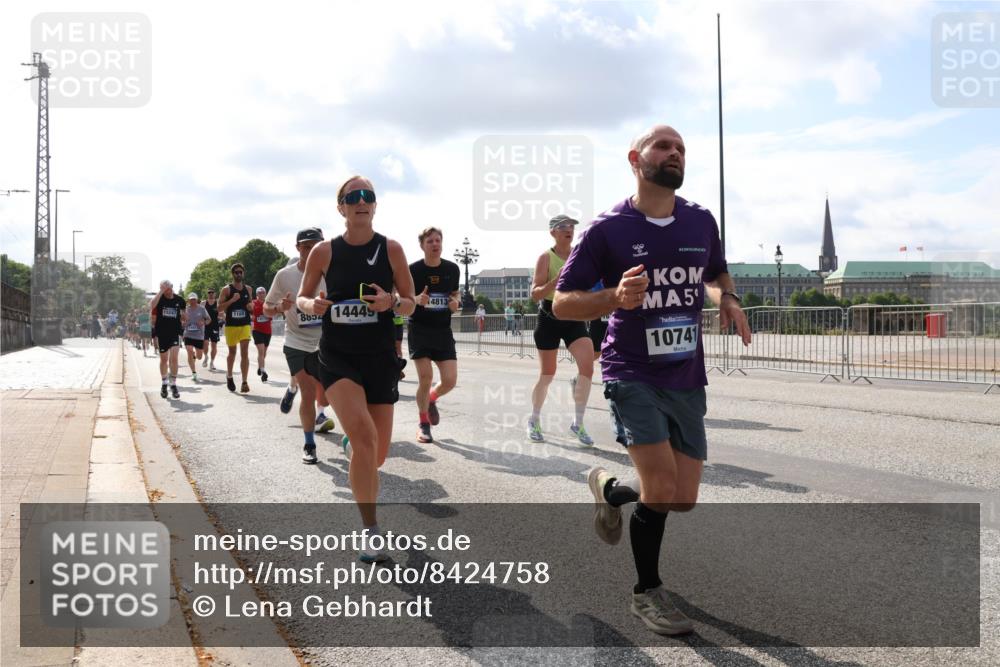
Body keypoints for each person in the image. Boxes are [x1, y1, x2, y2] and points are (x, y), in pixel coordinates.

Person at [552, 124, 751, 636]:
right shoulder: (607, 229)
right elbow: (563, 301)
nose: (675, 153)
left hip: (686, 373)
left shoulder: (701, 222)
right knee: (661, 486)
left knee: (682, 497)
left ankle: (612, 491)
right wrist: (614, 298)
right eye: (663, 146)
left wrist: (727, 298)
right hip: (630, 369)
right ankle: (647, 593)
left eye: (681, 148)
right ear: (635, 158)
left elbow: (716, 274)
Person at [297, 175, 415, 563]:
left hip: (380, 358)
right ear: (341, 207)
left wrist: (392, 302)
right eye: (353, 197)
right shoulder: (324, 252)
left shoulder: (392, 249)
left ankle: (353, 446)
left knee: (376, 455)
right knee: (365, 440)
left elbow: (411, 302)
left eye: (368, 196)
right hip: (338, 357)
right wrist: (310, 304)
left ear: (375, 206)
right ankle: (371, 531)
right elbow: (302, 295)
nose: (361, 201)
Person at [266, 227, 337, 464]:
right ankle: (309, 443)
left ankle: (291, 387)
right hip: (296, 341)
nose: (311, 251)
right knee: (309, 392)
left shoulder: (333, 272)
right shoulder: (284, 276)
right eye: (306, 246)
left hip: (326, 341)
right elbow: (267, 307)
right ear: (298, 248)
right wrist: (278, 308)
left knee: (326, 395)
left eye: (316, 246)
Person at [526, 215, 596, 446]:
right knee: (547, 374)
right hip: (549, 316)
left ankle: (578, 423)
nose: (569, 230)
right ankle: (534, 420)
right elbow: (535, 294)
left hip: (573, 315)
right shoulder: (545, 257)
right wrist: (556, 280)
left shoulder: (579, 254)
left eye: (572, 226)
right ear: (552, 232)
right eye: (563, 227)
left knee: (587, 367)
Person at [408, 227, 461, 444]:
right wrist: (415, 299)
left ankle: (432, 397)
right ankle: (423, 424)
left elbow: (455, 294)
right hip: (419, 329)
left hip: (442, 331)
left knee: (449, 380)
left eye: (438, 240)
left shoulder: (452, 268)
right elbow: (400, 296)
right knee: (426, 377)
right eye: (430, 241)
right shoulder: (413, 269)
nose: (435, 244)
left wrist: (455, 303)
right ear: (422, 245)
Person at [149, 280, 187, 399]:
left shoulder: (179, 300)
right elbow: (151, 305)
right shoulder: (159, 299)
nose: (168, 292)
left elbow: (184, 314)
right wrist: (160, 291)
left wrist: (184, 317)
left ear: (172, 287)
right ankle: (164, 383)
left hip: (174, 332)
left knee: (174, 358)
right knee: (164, 359)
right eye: (165, 290)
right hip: (162, 333)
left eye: (169, 289)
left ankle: (173, 384)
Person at [220, 263, 253, 393]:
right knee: (232, 353)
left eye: (241, 272)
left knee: (245, 352)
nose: (239, 274)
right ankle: (229, 376)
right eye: (236, 272)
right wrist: (232, 300)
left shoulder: (248, 289)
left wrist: (250, 307)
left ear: (243, 273)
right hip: (231, 326)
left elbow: (250, 305)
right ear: (232, 274)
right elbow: (219, 308)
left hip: (245, 324)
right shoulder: (226, 290)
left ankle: (244, 382)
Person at [182, 293, 210, 382]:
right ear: (188, 300)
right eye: (191, 299)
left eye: (194, 299)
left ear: (196, 300)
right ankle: (194, 373)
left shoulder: (201, 309)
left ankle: (195, 356)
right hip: (188, 334)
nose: (192, 301)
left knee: (199, 357)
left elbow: (209, 319)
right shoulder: (185, 310)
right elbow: (181, 321)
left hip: (199, 335)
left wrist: (203, 322)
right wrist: (183, 323)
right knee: (189, 351)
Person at [251, 286, 272, 383]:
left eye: (263, 292)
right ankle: (263, 371)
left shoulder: (269, 303)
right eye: (259, 293)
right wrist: (252, 316)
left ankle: (260, 366)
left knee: (264, 352)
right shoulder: (253, 303)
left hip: (267, 331)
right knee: (261, 351)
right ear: (256, 294)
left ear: (265, 293)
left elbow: (272, 314)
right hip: (257, 330)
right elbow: (250, 313)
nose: (261, 294)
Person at [202, 289, 221, 370]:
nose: (210, 294)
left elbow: (222, 313)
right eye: (209, 293)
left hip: (215, 326)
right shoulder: (203, 303)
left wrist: (222, 316)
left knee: (214, 345)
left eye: (212, 293)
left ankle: (212, 362)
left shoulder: (218, 303)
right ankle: (206, 357)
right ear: (207, 294)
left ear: (215, 294)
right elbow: (199, 313)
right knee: (205, 343)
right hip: (205, 326)